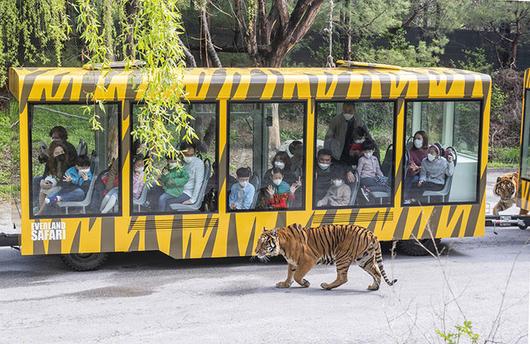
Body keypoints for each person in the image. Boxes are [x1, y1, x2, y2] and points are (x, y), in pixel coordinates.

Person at [36, 141, 71, 214]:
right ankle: (41, 211)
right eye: (57, 153)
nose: (60, 155)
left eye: (62, 152)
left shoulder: (68, 163)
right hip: (53, 183)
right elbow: (45, 174)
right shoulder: (50, 162)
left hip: (63, 187)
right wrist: (42, 182)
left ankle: (40, 213)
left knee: (51, 191)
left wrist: (52, 184)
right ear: (52, 154)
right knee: (42, 189)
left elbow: (64, 181)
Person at [180, 141, 205, 206]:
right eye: (186, 155)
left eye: (191, 155)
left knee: (163, 199)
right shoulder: (181, 162)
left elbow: (198, 183)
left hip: (187, 193)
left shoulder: (198, 163)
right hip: (178, 190)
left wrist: (192, 200)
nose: (189, 157)